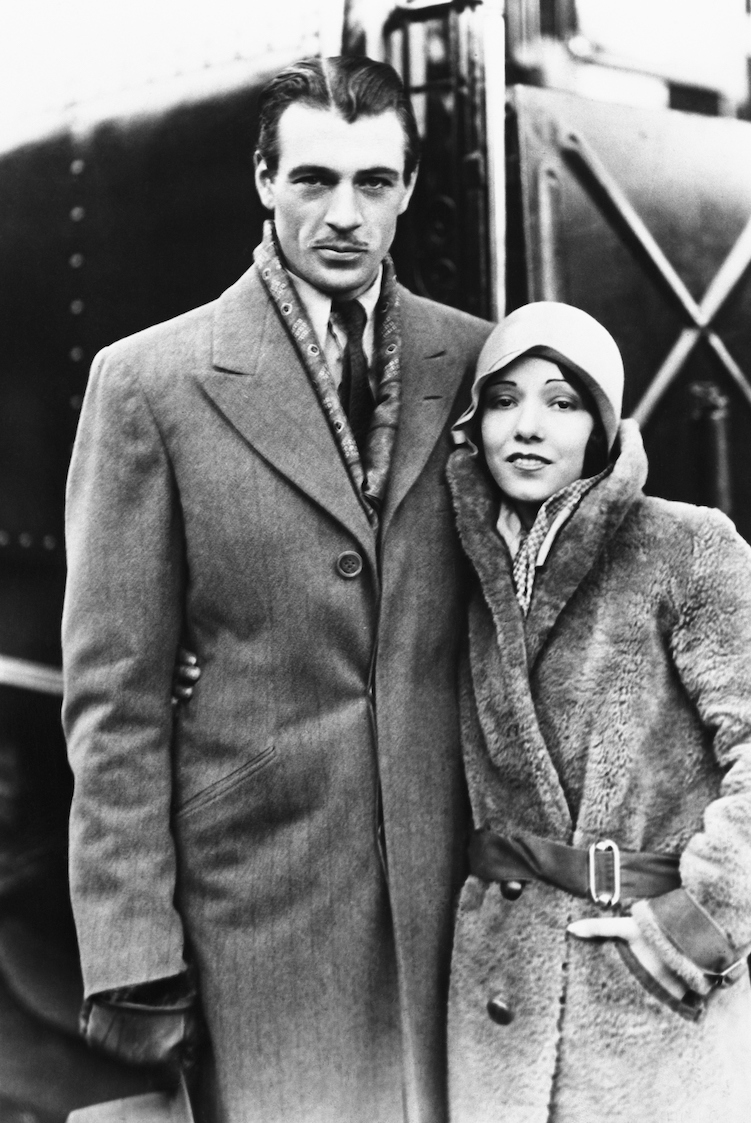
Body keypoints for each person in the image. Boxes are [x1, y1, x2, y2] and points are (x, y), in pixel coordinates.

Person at [61, 55, 491, 1122]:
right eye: (312, 179)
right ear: (264, 181)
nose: (344, 214)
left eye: (373, 182)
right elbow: (114, 702)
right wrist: (134, 954)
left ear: (408, 186)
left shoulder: (480, 365)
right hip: (256, 919)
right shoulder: (150, 382)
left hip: (453, 919)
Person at [441, 302, 751, 1123]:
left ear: (603, 423)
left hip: (644, 992)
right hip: (496, 985)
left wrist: (693, 926)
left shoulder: (688, 549)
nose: (528, 425)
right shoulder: (457, 565)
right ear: (473, 425)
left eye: (563, 401)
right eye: (504, 399)